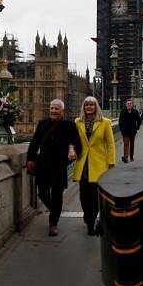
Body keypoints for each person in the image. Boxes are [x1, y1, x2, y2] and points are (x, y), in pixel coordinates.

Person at [26, 99, 81, 237]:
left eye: (56, 109)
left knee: (57, 195)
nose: (53, 111)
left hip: (59, 165)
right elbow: (34, 143)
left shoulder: (70, 125)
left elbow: (77, 144)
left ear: (62, 111)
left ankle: (53, 224)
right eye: (52, 108)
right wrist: (30, 159)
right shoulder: (43, 124)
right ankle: (55, 211)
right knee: (42, 193)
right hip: (43, 165)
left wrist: (74, 152)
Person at [72, 96, 115, 235]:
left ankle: (91, 222)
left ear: (96, 107)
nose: (89, 107)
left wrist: (111, 162)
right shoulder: (78, 122)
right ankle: (87, 216)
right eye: (86, 105)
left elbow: (110, 144)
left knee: (95, 196)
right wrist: (71, 149)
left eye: (91, 105)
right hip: (83, 162)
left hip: (98, 163)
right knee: (83, 196)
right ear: (83, 107)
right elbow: (73, 140)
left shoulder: (105, 122)